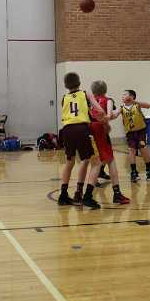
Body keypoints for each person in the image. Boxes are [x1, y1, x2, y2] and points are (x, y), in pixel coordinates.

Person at [58, 72, 104, 209]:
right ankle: (88, 197)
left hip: (67, 130)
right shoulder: (85, 94)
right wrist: (99, 118)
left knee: (70, 162)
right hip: (82, 129)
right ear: (79, 82)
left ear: (66, 85)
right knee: (96, 163)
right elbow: (100, 111)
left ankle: (63, 195)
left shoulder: (64, 98)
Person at [90, 80, 129, 205]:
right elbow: (108, 115)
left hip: (89, 131)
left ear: (93, 90)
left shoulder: (90, 100)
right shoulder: (108, 100)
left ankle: (85, 191)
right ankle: (117, 193)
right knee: (111, 160)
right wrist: (117, 112)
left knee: (95, 160)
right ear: (105, 89)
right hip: (100, 130)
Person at [119, 90, 150, 183]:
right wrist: (109, 115)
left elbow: (148, 105)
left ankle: (149, 169)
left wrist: (134, 101)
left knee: (142, 149)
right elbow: (115, 114)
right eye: (122, 95)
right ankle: (134, 172)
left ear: (131, 96)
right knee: (131, 151)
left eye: (125, 94)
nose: (123, 96)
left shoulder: (136, 105)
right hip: (130, 133)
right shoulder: (121, 108)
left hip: (140, 132)